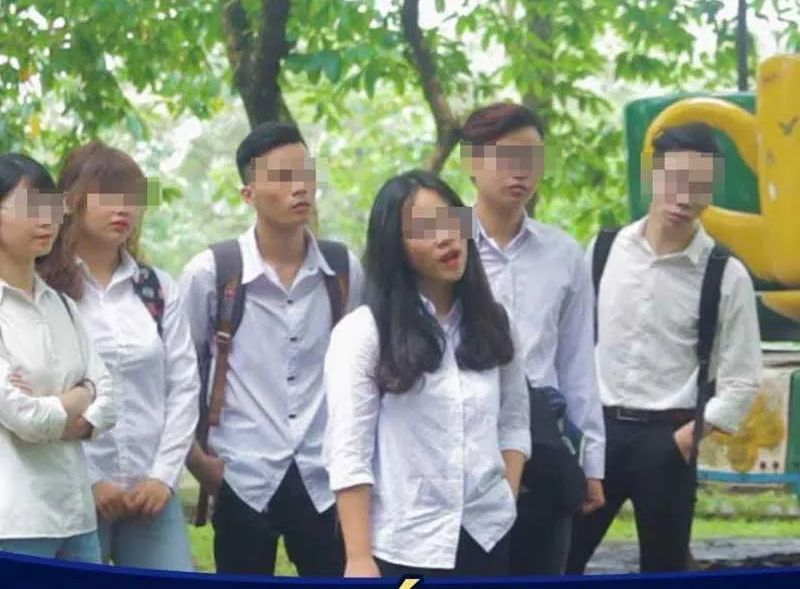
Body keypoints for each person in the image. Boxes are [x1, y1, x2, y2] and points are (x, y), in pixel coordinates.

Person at [565, 123, 762, 573]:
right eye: (675, 180)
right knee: (561, 561)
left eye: (699, 186)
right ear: (652, 176)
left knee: (665, 571)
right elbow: (572, 341)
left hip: (669, 438)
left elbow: (742, 379)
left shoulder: (725, 273)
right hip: (599, 432)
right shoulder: (604, 249)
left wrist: (685, 439)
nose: (684, 197)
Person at [324, 170, 531, 579]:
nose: (445, 238)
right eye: (423, 229)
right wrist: (359, 557)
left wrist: (505, 493)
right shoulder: (364, 332)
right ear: (394, 246)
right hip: (407, 550)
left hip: (487, 538)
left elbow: (513, 421)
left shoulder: (495, 323)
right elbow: (349, 453)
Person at [179, 121, 364, 577]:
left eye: (306, 173)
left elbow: (361, 371)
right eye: (282, 177)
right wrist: (199, 463)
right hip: (242, 472)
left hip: (324, 472)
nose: (300, 187)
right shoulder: (212, 273)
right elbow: (180, 376)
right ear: (248, 194)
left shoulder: (342, 270)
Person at [37, 142, 199, 571]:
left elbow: (183, 387)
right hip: (67, 491)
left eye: (132, 197)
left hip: (152, 494)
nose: (123, 208)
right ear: (70, 202)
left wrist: (163, 477)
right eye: (108, 195)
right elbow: (36, 393)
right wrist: (91, 479)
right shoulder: (42, 288)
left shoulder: (157, 288)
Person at [461, 101, 606, 576]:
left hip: (543, 441)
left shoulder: (563, 253)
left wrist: (592, 462)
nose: (521, 171)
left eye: (532, 159)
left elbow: (577, 363)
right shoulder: (439, 241)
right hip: (460, 439)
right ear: (471, 161)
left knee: (540, 569)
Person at [0, 153, 115, 562]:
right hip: (16, 522)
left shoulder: (62, 305)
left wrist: (60, 408)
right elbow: (24, 418)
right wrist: (80, 395)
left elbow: (110, 400)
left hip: (77, 515)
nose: (47, 219)